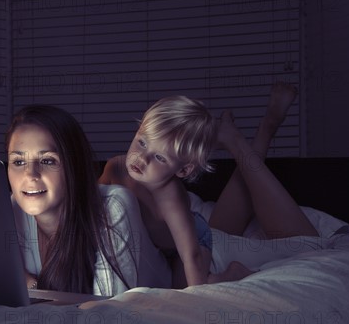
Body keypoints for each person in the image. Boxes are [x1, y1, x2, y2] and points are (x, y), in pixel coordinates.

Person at [99, 82, 318, 288]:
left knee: (186, 286)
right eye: (142, 142)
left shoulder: (171, 196)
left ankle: (232, 274)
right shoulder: (115, 167)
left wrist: (198, 296)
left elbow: (191, 256)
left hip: (192, 237)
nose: (141, 158)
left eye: (160, 157)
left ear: (183, 170)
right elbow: (89, 202)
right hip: (158, 244)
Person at [6, 104, 169, 296]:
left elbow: (107, 311)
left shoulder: (114, 207)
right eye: (18, 162)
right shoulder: (12, 208)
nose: (30, 175)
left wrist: (28, 284)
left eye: (48, 161)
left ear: (73, 166)